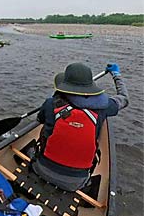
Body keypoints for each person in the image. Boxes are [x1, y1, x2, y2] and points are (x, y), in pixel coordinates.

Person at [32, 62, 129, 191]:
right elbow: (124, 98)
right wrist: (116, 75)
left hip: (41, 169)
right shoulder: (104, 107)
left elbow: (40, 119)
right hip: (76, 183)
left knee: (46, 129)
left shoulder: (51, 103)